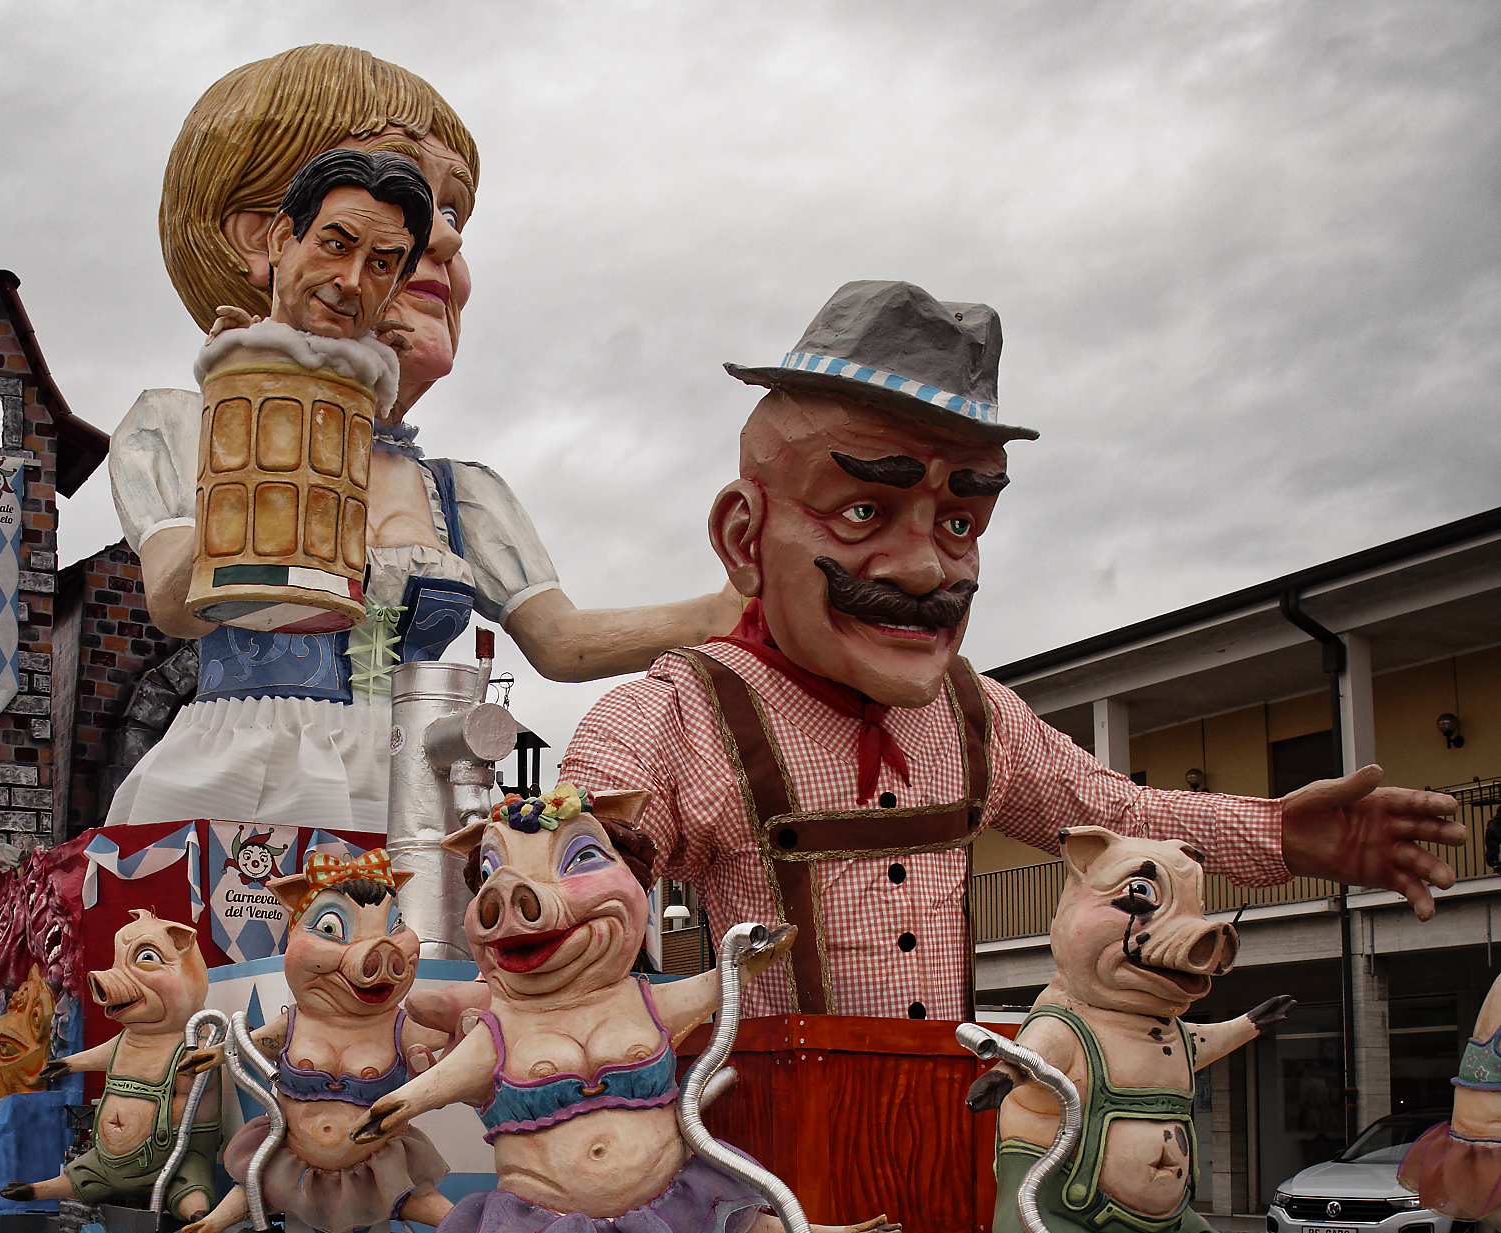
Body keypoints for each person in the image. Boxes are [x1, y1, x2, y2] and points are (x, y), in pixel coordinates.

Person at [560, 282, 1468, 1019]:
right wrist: (575, 881)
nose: (923, 568)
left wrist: (1278, 835)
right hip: (772, 1153)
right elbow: (574, 851)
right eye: (863, 511)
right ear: (745, 537)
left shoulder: (975, 719)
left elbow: (1111, 811)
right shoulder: (682, 712)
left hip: (950, 1131)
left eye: (960, 520)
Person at [105, 43, 739, 836]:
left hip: (421, 794)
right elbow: (174, 601)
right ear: (265, 240)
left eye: (450, 217)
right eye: (358, 230)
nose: (441, 243)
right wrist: (277, 400)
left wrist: (729, 607)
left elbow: (563, 643)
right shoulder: (180, 424)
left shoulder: (461, 493)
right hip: (252, 779)